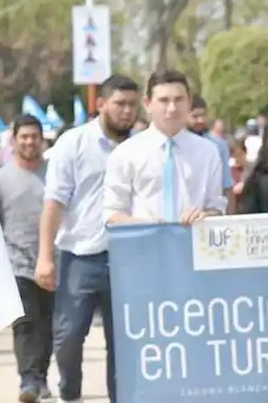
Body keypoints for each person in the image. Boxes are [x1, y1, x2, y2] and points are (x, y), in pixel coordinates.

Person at [34, 74, 140, 403]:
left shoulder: (142, 146)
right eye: (120, 104)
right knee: (67, 338)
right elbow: (54, 202)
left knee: (124, 342)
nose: (127, 111)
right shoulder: (73, 143)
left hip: (129, 259)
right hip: (79, 257)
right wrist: (45, 256)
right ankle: (71, 394)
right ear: (101, 104)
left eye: (133, 105)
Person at [103, 70, 226, 226]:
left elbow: (217, 206)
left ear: (189, 102)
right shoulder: (126, 153)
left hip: (192, 245)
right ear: (148, 104)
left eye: (179, 100)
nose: (172, 108)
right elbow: (111, 212)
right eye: (164, 100)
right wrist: (143, 225)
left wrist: (205, 215)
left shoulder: (208, 152)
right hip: (143, 245)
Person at [0, 114, 53, 403]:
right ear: (14, 141)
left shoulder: (55, 175)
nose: (29, 142)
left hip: (54, 263)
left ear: (43, 140)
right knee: (25, 324)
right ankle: (29, 380)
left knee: (49, 328)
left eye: (34, 137)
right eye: (23, 137)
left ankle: (40, 377)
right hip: (17, 265)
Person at [187, 94, 234, 203]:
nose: (201, 120)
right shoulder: (174, 145)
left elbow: (226, 184)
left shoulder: (218, 145)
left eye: (203, 115)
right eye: (195, 116)